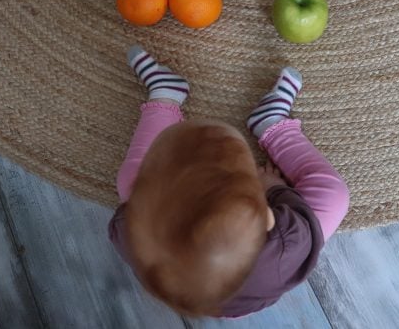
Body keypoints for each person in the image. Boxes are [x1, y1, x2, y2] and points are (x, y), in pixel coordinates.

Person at [108, 46, 350, 318]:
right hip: (262, 274)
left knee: (130, 182)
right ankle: (270, 123)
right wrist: (274, 187)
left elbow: (130, 213)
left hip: (193, 288)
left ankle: (165, 96)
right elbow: (297, 216)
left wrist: (149, 192)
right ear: (268, 216)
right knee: (334, 196)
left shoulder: (135, 233)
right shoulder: (288, 245)